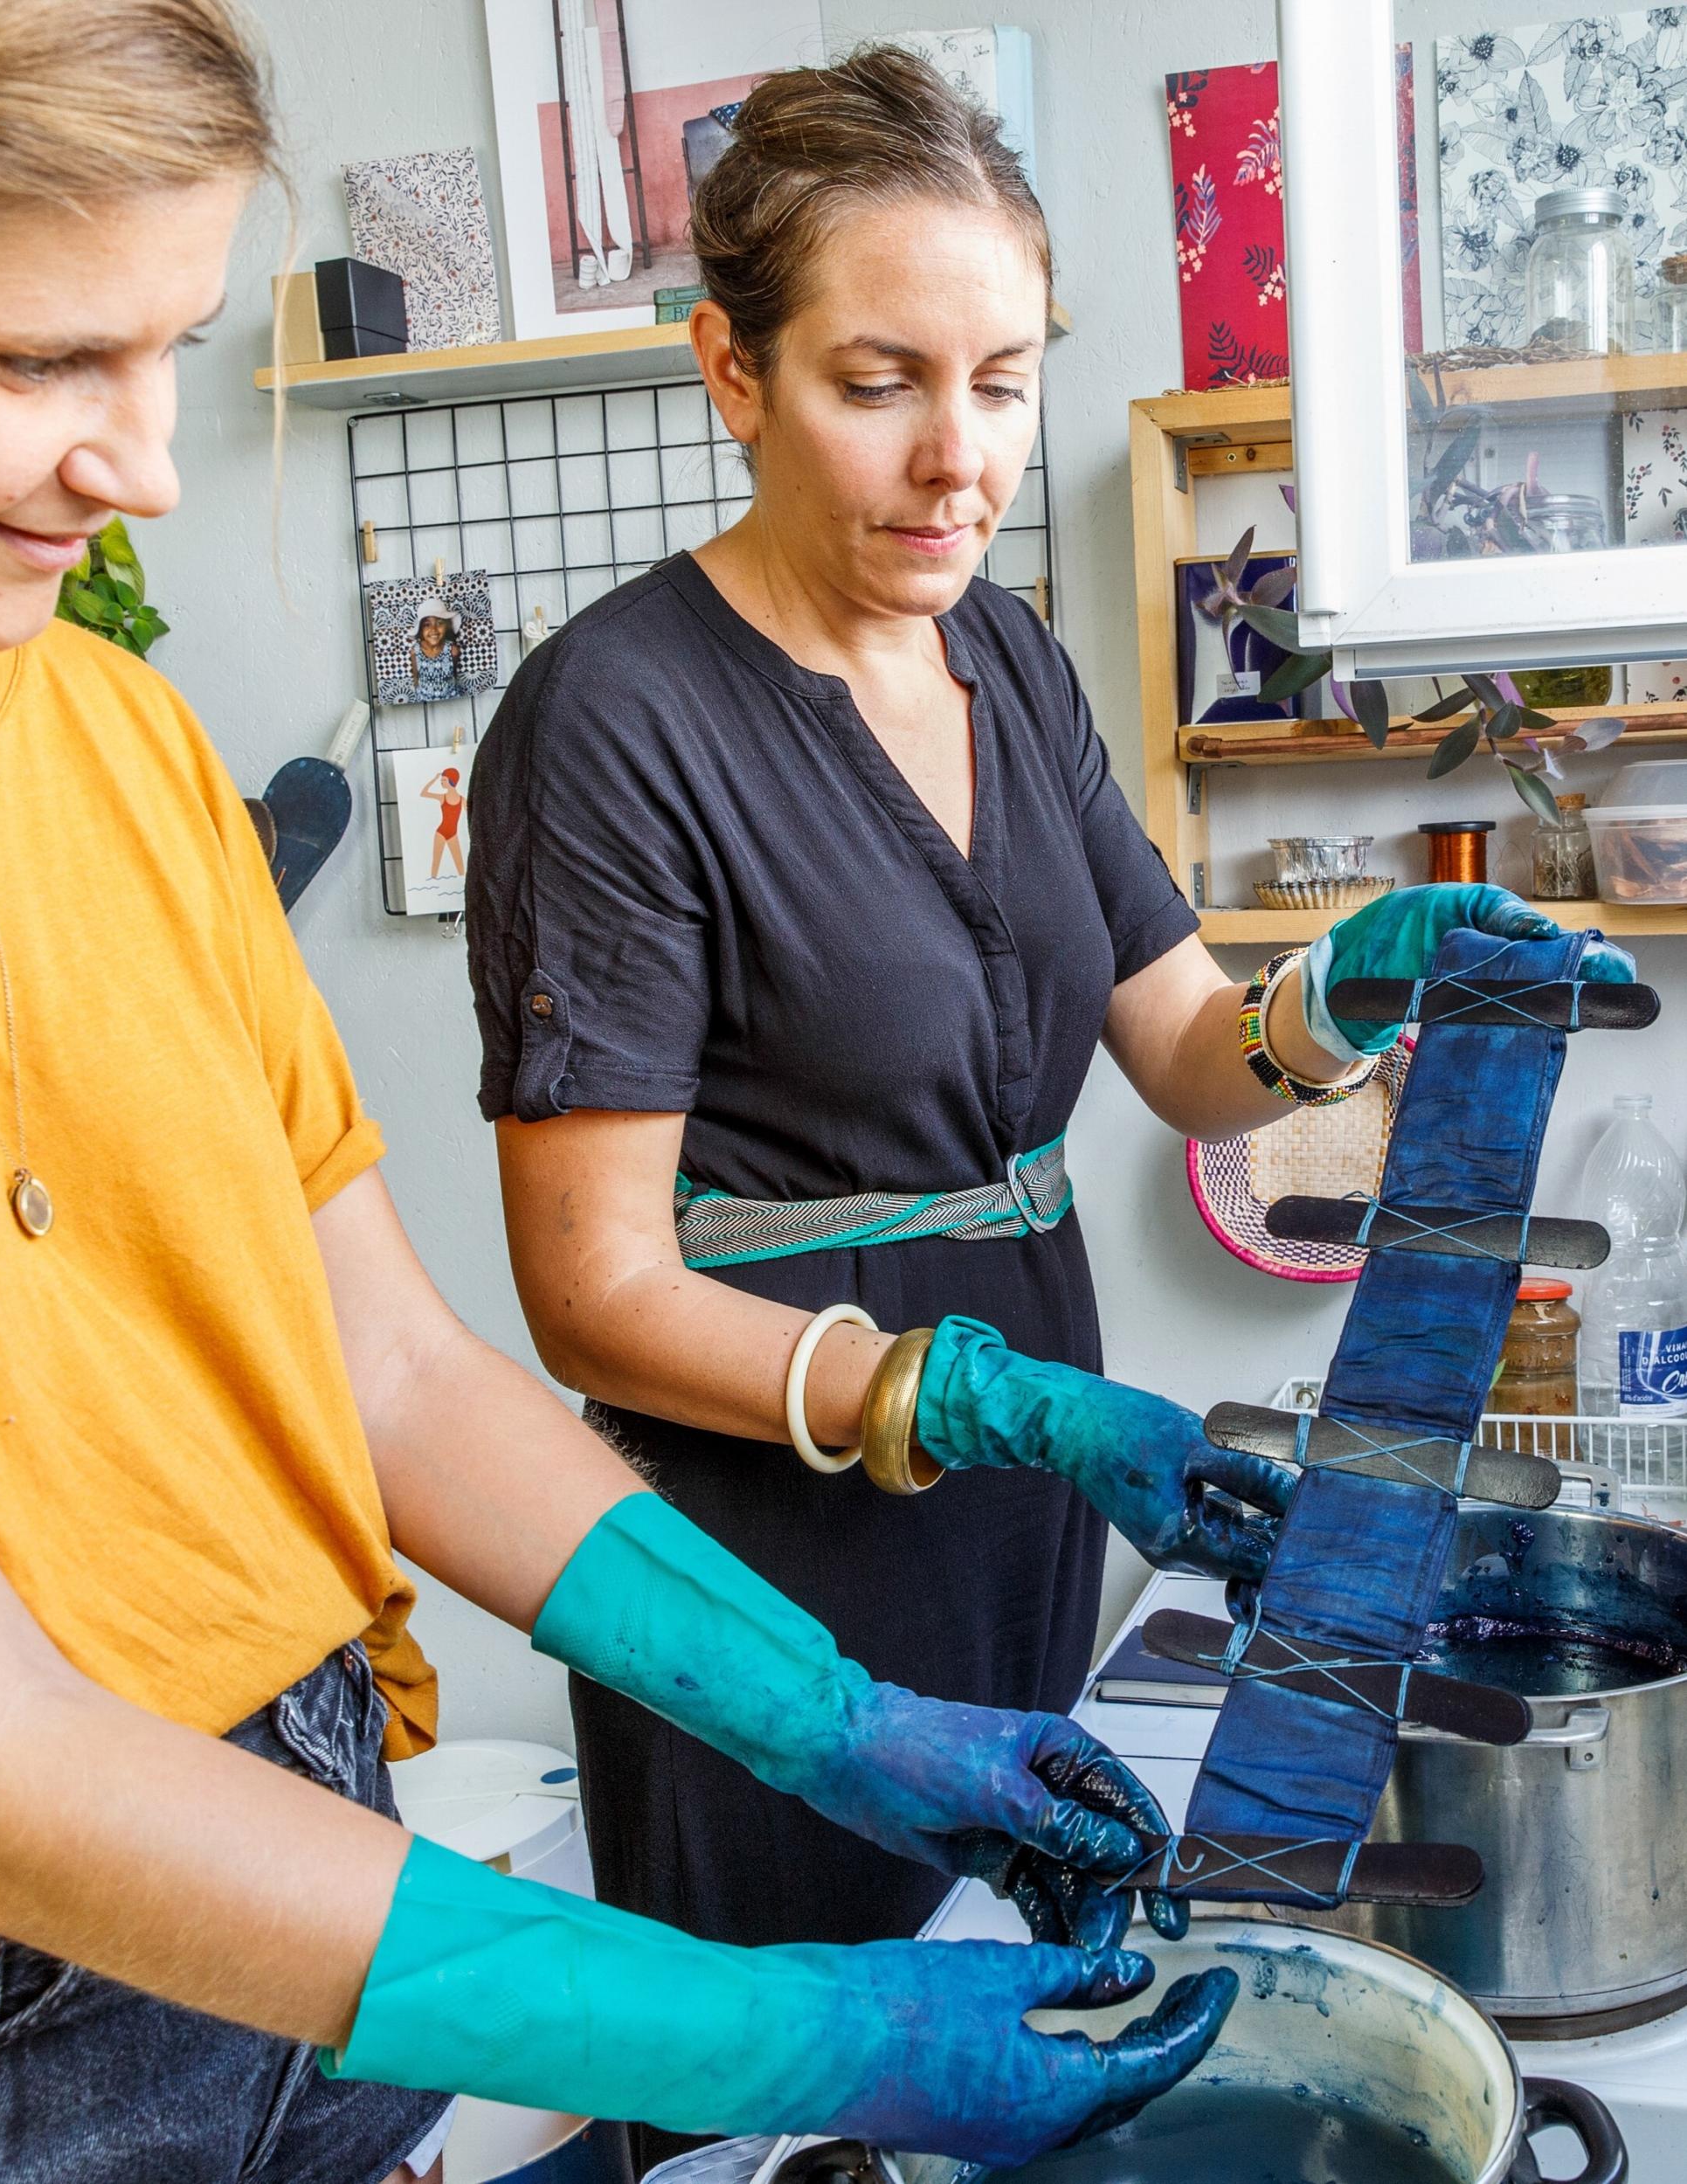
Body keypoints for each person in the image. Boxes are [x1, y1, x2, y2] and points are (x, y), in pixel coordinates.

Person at [0, 10, 1240, 2182]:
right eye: (41, 364)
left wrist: (829, 1718)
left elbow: (390, 1373)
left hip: (315, 1909)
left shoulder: (113, 747)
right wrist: (778, 2033)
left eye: (172, 351)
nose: (144, 465)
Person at [465, 50, 1630, 2167]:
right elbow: (592, 1293)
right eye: (878, 380)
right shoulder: (618, 719)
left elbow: (1186, 1047)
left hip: (1028, 1531)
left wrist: (1347, 992)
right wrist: (993, 1398)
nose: (955, 461)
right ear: (731, 368)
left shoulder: (1009, 661)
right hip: (761, 1563)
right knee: (793, 2093)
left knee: (1035, 2042)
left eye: (1000, 383)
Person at [423, 764, 467, 878]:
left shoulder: (462, 800)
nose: (441, 782)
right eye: (441, 780)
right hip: (441, 833)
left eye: (444, 780)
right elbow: (424, 793)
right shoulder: (442, 797)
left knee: (460, 866)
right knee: (436, 862)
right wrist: (434, 779)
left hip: (453, 834)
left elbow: (471, 815)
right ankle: (433, 883)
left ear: (452, 781)